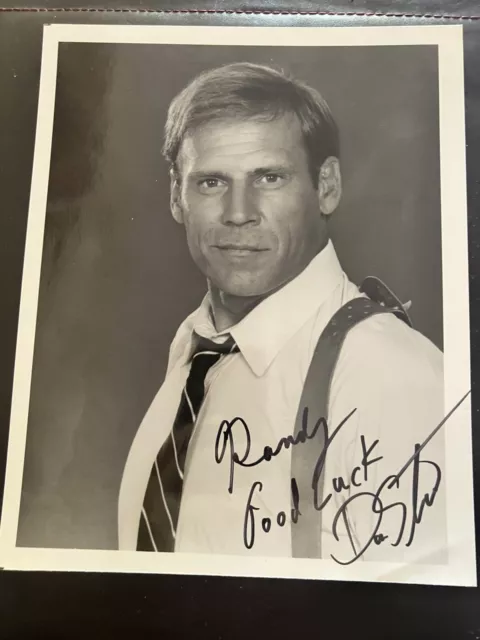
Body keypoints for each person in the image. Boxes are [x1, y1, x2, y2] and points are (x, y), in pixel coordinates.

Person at [119, 62, 445, 564]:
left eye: (269, 177)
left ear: (327, 186)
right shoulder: (195, 351)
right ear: (175, 196)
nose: (238, 211)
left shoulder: (388, 374)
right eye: (210, 182)